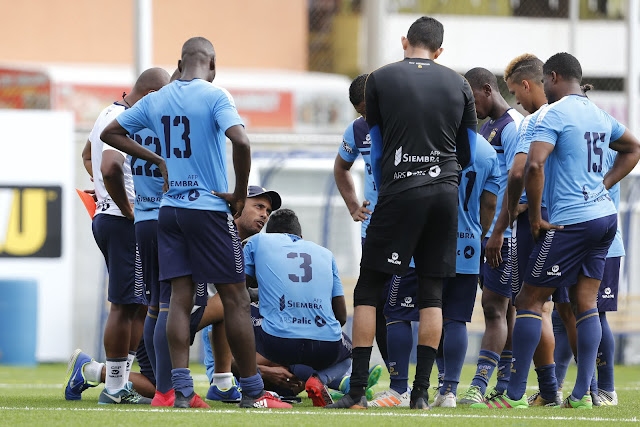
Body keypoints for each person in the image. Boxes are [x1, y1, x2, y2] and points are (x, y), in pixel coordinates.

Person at [100, 37, 291, 409]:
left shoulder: (157, 98)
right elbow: (242, 142)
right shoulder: (217, 96)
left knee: (175, 300)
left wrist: (158, 160)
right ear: (213, 64)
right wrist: (238, 194)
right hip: (207, 209)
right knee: (235, 298)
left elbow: (111, 133)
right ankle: (253, 393)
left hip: (168, 212)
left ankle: (181, 392)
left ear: (180, 62)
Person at [327, 16, 477, 410]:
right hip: (445, 193)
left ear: (404, 41)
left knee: (368, 292)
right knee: (432, 293)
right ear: (439, 50)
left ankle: (357, 392)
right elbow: (469, 153)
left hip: (398, 192)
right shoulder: (460, 83)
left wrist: (395, 178)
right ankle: (423, 394)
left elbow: (375, 150)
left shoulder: (379, 79)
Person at [476, 52, 640, 410]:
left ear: (551, 78)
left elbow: (528, 168)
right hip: (605, 219)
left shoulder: (550, 113)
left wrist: (534, 218)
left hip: (570, 222)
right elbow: (634, 147)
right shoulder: (598, 113)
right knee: (586, 306)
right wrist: (603, 185)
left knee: (529, 301)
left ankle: (515, 394)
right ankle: (585, 395)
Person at [64, 68, 170, 405]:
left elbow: (87, 157)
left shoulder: (107, 114)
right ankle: (113, 387)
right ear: (152, 94)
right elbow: (109, 165)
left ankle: (113, 379)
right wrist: (126, 208)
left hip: (113, 217)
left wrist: (105, 194)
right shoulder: (126, 119)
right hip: (122, 222)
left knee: (137, 304)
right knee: (125, 305)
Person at [457, 67, 523, 405]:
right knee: (504, 307)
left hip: (503, 236)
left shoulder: (513, 127)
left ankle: (479, 385)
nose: (469, 105)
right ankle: (506, 381)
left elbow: (518, 181)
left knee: (494, 308)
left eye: (471, 98)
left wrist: (499, 232)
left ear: (486, 90)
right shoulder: (486, 128)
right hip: (483, 234)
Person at [244, 209, 351, 407]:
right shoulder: (326, 253)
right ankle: (321, 379)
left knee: (233, 308)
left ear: (270, 235)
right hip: (325, 347)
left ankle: (229, 384)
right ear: (300, 237)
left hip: (276, 343)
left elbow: (238, 288)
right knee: (349, 348)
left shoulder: (259, 242)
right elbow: (341, 316)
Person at [502, 54, 560, 406]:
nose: (516, 101)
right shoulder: (572, 115)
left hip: (536, 223)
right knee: (556, 309)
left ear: (527, 84)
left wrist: (514, 211)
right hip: (575, 217)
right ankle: (561, 391)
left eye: (514, 92)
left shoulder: (534, 121)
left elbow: (519, 172)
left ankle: (516, 392)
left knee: (529, 303)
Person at [431, 133, 500, 407]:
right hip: (469, 242)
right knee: (456, 319)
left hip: (433, 240)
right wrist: (478, 234)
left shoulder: (435, 139)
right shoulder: (486, 151)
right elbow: (491, 203)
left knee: (431, 312)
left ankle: (441, 382)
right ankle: (450, 390)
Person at [334, 73, 388, 369]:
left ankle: (432, 378)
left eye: (368, 107)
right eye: (361, 110)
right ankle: (395, 378)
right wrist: (354, 205)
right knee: (375, 302)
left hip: (409, 225)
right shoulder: (357, 130)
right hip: (374, 229)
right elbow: (341, 168)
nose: (366, 114)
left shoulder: (404, 119)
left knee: (417, 302)